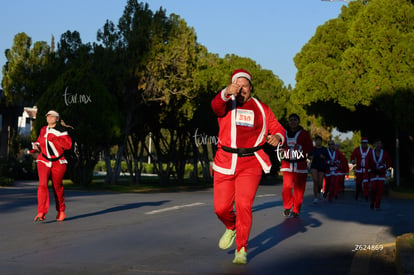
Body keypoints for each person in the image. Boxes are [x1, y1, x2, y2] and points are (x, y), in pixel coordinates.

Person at [211, 69, 286, 265]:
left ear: (250, 88)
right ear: (232, 86)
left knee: (244, 206)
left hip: (251, 163)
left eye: (245, 85)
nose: (241, 89)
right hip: (225, 161)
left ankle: (241, 248)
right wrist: (226, 92)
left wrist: (277, 136)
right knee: (221, 208)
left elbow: (277, 127)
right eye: (237, 85)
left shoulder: (262, 109)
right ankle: (231, 226)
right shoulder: (226, 104)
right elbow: (215, 105)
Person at [32, 110, 72, 222]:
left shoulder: (62, 131)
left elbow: (67, 145)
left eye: (52, 116)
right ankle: (41, 212)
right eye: (48, 116)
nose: (49, 118)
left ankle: (61, 210)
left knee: (57, 187)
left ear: (57, 119)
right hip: (44, 160)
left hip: (58, 162)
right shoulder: (43, 129)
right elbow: (40, 141)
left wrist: (54, 138)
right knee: (42, 184)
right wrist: (36, 146)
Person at [280, 114, 313, 216]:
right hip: (287, 164)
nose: (292, 122)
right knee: (287, 186)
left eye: (295, 120)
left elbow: (310, 147)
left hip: (300, 165)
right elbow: (279, 144)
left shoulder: (304, 134)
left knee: (299, 189)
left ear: (298, 121)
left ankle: (296, 209)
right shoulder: (283, 133)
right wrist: (281, 149)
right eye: (291, 120)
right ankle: (287, 206)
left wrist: (301, 148)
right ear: (288, 122)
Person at [364, 139, 392, 210]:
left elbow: (389, 162)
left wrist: (385, 166)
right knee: (373, 189)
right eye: (377, 144)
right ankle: (372, 202)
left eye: (380, 144)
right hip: (373, 173)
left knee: (380, 190)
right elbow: (367, 163)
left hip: (381, 174)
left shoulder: (385, 153)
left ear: (382, 145)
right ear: (374, 145)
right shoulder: (370, 153)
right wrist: (367, 173)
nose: (379, 145)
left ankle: (377, 205)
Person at [309, 135, 328, 203]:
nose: (318, 142)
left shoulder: (324, 149)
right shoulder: (312, 149)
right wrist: (311, 157)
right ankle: (315, 197)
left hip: (322, 166)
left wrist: (323, 157)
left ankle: (319, 191)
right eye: (316, 141)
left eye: (319, 141)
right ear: (315, 142)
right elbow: (309, 156)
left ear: (321, 142)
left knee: (320, 182)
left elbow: (327, 157)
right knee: (315, 181)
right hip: (314, 166)